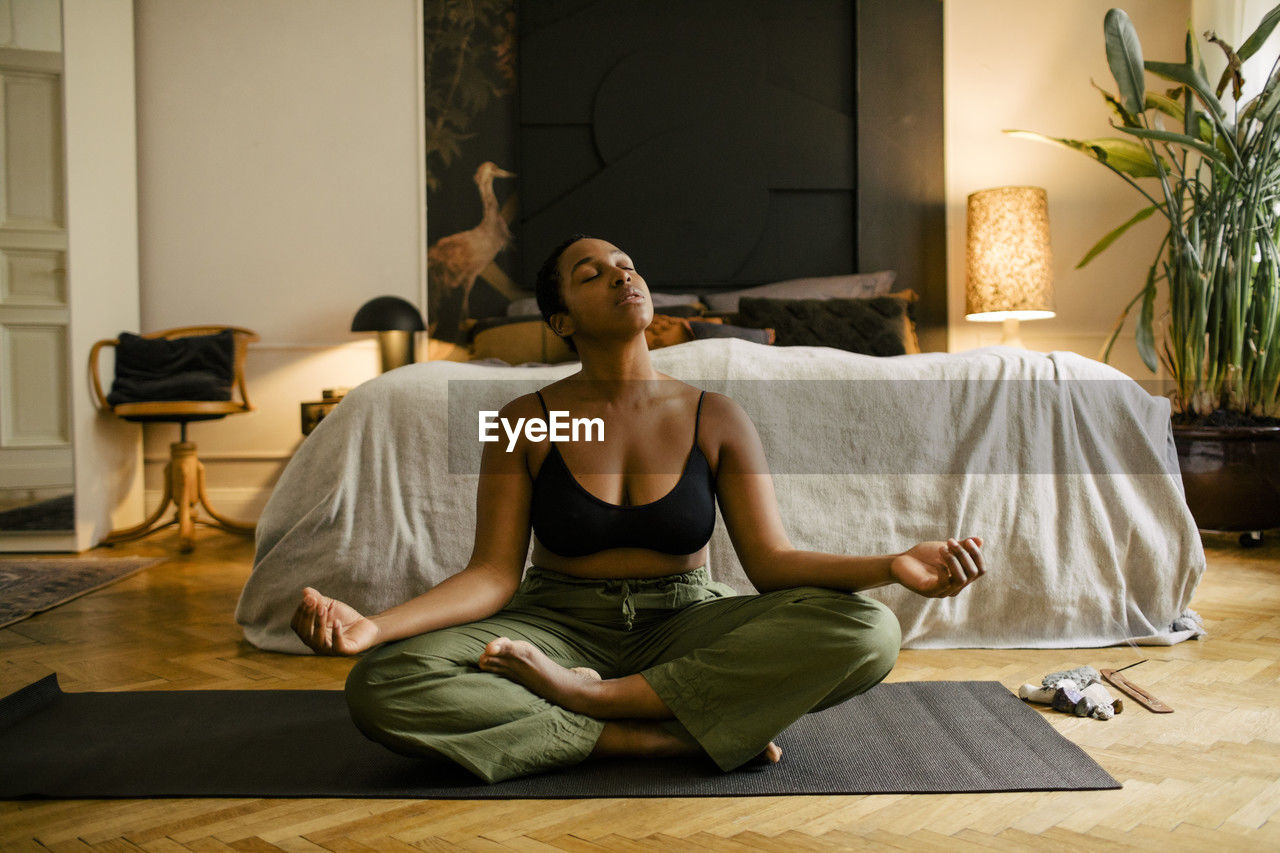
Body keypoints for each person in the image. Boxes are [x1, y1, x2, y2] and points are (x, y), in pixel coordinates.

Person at [291, 235, 986, 784]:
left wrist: (890, 564)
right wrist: (371, 627)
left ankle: (592, 701)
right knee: (382, 685)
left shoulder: (717, 415)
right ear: (560, 318)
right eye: (591, 272)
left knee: (868, 630)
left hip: (686, 618)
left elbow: (772, 565)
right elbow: (492, 575)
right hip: (554, 624)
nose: (624, 276)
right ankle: (651, 736)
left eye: (627, 265)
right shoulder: (525, 420)